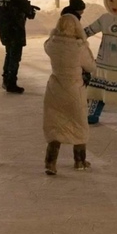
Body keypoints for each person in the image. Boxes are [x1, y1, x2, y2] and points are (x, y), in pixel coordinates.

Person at [43, 14, 97, 175]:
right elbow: (91, 66)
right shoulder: (79, 47)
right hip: (74, 89)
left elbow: (47, 45)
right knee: (79, 125)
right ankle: (79, 160)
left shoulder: (51, 44)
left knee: (55, 126)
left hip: (55, 89)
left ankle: (50, 162)